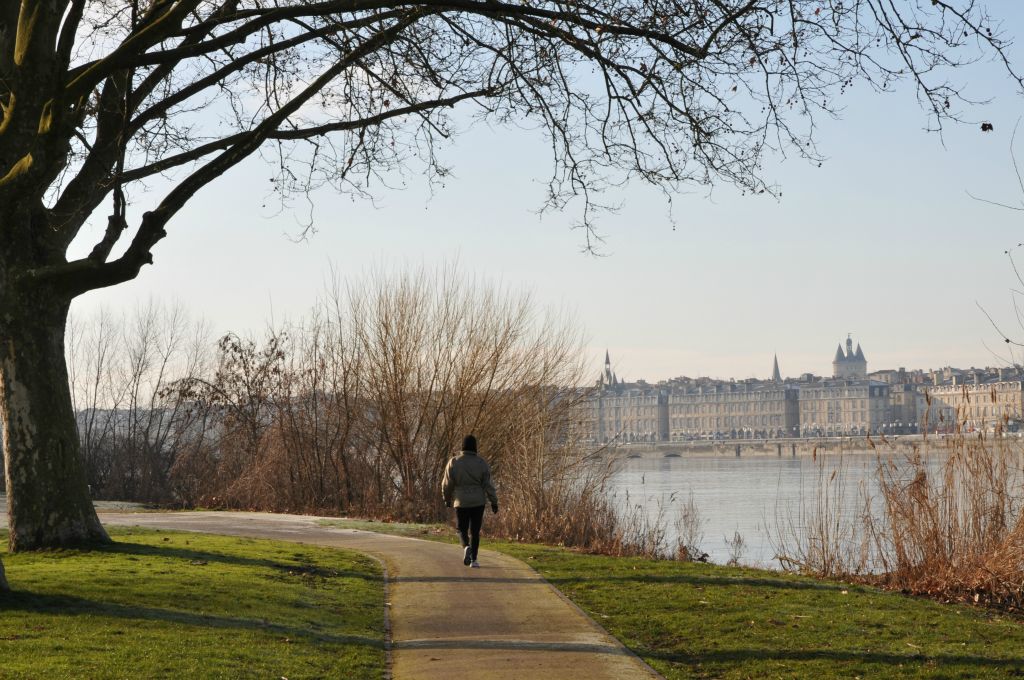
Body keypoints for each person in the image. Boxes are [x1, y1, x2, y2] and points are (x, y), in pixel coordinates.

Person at [441, 434, 498, 568]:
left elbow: (446, 484)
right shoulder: (481, 463)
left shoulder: (454, 462)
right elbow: (488, 484)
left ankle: (466, 547)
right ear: (475, 447)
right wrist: (494, 501)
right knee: (475, 531)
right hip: (478, 502)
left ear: (463, 446)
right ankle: (474, 560)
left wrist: (447, 499)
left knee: (461, 529)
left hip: (461, 501)